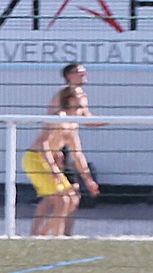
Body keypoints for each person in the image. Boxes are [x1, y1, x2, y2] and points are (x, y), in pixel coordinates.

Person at [25, 84, 99, 236]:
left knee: (72, 199)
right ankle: (44, 236)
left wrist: (88, 179)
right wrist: (53, 169)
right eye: (80, 95)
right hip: (36, 159)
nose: (85, 96)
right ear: (71, 100)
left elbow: (77, 153)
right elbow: (42, 142)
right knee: (63, 200)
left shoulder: (72, 122)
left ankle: (47, 235)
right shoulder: (58, 117)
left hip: (49, 161)